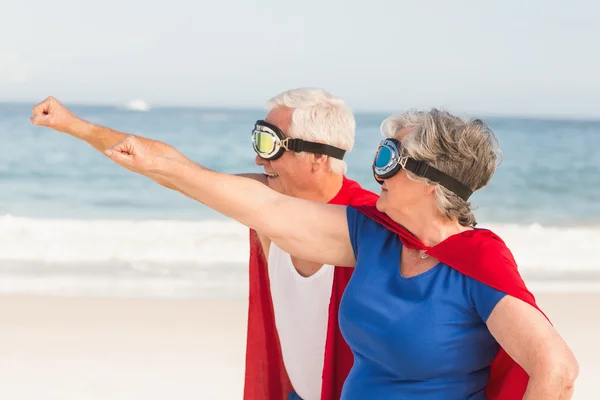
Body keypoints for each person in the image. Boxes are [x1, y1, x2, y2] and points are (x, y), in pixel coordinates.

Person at [37, 104, 580, 400]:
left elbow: (556, 371)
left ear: (429, 179)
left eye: (389, 157)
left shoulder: (477, 263)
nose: (375, 172)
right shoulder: (370, 234)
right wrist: (161, 165)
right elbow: (254, 204)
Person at [30, 90, 378, 400]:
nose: (259, 159)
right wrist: (74, 126)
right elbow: (179, 172)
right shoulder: (266, 202)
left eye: (270, 145)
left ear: (317, 156)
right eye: (258, 141)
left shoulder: (370, 226)